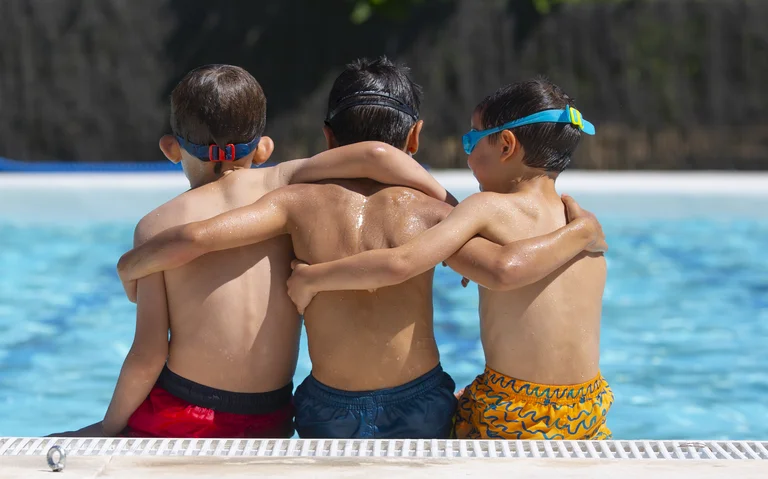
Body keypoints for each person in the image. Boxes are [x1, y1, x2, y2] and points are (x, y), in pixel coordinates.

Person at [115, 60, 604, 439]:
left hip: (327, 406)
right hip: (420, 401)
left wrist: (133, 261)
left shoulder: (292, 202)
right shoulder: (437, 215)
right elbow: (501, 268)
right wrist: (577, 233)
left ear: (328, 138)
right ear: (415, 137)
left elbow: (201, 235)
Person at [54, 64, 451, 439]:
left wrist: (108, 429)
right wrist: (450, 203)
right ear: (263, 148)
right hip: (271, 415)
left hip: (184, 410)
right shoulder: (283, 184)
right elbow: (376, 155)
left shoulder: (158, 226)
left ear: (171, 148)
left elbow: (148, 353)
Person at [287, 78, 614, 440]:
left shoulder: (489, 209)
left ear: (506, 145)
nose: (467, 155)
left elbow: (405, 263)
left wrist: (312, 278)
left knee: (452, 406)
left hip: (514, 410)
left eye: (471, 140)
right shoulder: (579, 219)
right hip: (588, 408)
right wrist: (580, 233)